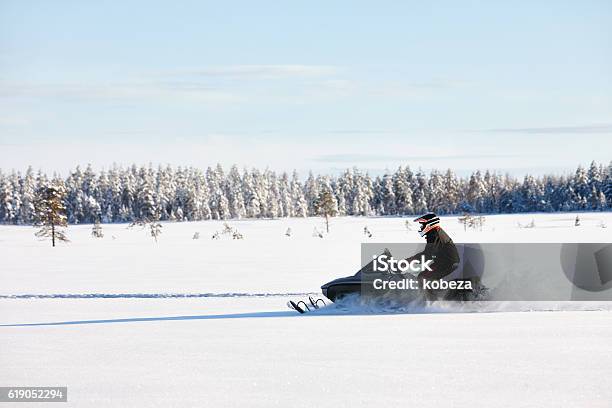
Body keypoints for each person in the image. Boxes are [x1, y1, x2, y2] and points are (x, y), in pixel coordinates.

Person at [407, 213, 460, 299]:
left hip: (446, 263)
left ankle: (431, 303)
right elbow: (430, 253)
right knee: (423, 275)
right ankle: (434, 297)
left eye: (422, 225)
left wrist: (409, 261)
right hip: (445, 261)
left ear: (429, 224)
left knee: (423, 278)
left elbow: (428, 254)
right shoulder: (435, 232)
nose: (421, 227)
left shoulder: (434, 234)